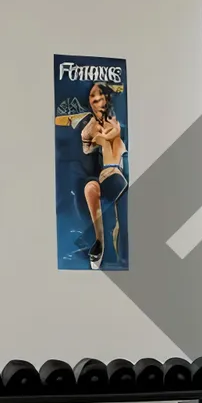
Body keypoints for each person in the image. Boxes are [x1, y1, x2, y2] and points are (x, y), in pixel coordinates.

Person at [80, 81, 128, 269]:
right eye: (92, 95)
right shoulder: (90, 128)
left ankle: (110, 249)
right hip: (106, 175)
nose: (96, 98)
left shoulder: (115, 122)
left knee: (119, 224)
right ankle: (99, 243)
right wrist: (91, 140)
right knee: (91, 188)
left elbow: (112, 133)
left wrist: (99, 137)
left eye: (100, 94)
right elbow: (86, 150)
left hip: (120, 175)